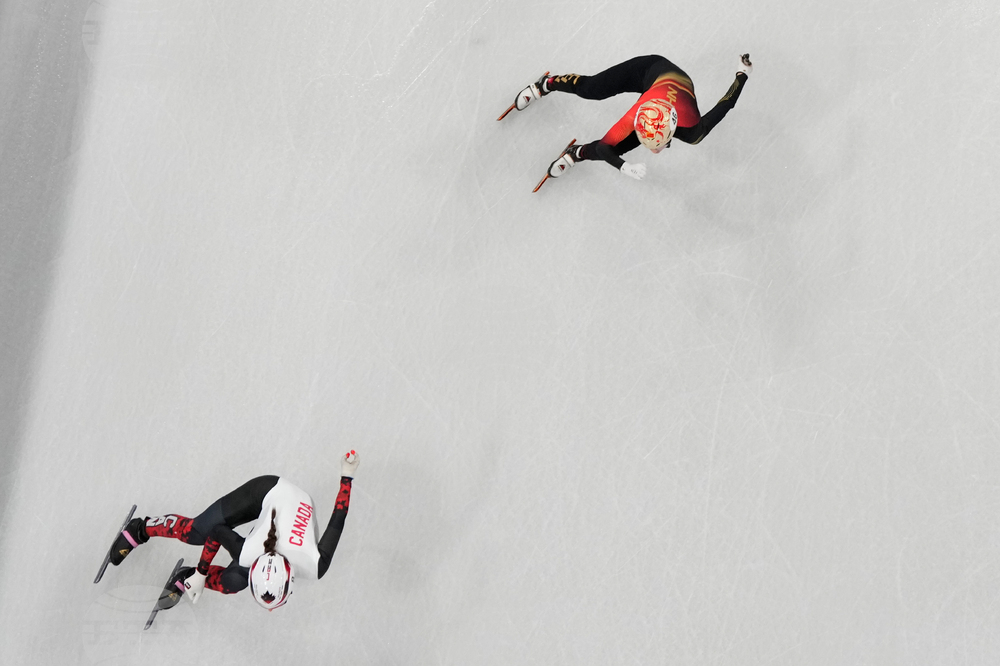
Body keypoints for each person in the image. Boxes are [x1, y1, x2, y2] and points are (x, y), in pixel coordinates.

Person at [110, 450, 360, 611]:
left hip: (291, 508)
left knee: (233, 582)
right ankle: (141, 528)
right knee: (196, 532)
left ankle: (184, 577)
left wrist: (346, 475)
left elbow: (338, 518)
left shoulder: (311, 563)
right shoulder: (263, 555)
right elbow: (216, 532)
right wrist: (202, 571)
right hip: (268, 492)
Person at [514, 54, 753, 182]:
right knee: (591, 89)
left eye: (656, 145)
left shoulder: (692, 129)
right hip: (651, 70)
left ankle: (578, 153)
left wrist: (742, 75)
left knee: (621, 147)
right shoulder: (636, 116)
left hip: (672, 93)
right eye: (651, 144)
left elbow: (726, 103)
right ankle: (547, 84)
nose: (653, 150)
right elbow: (606, 148)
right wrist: (623, 167)